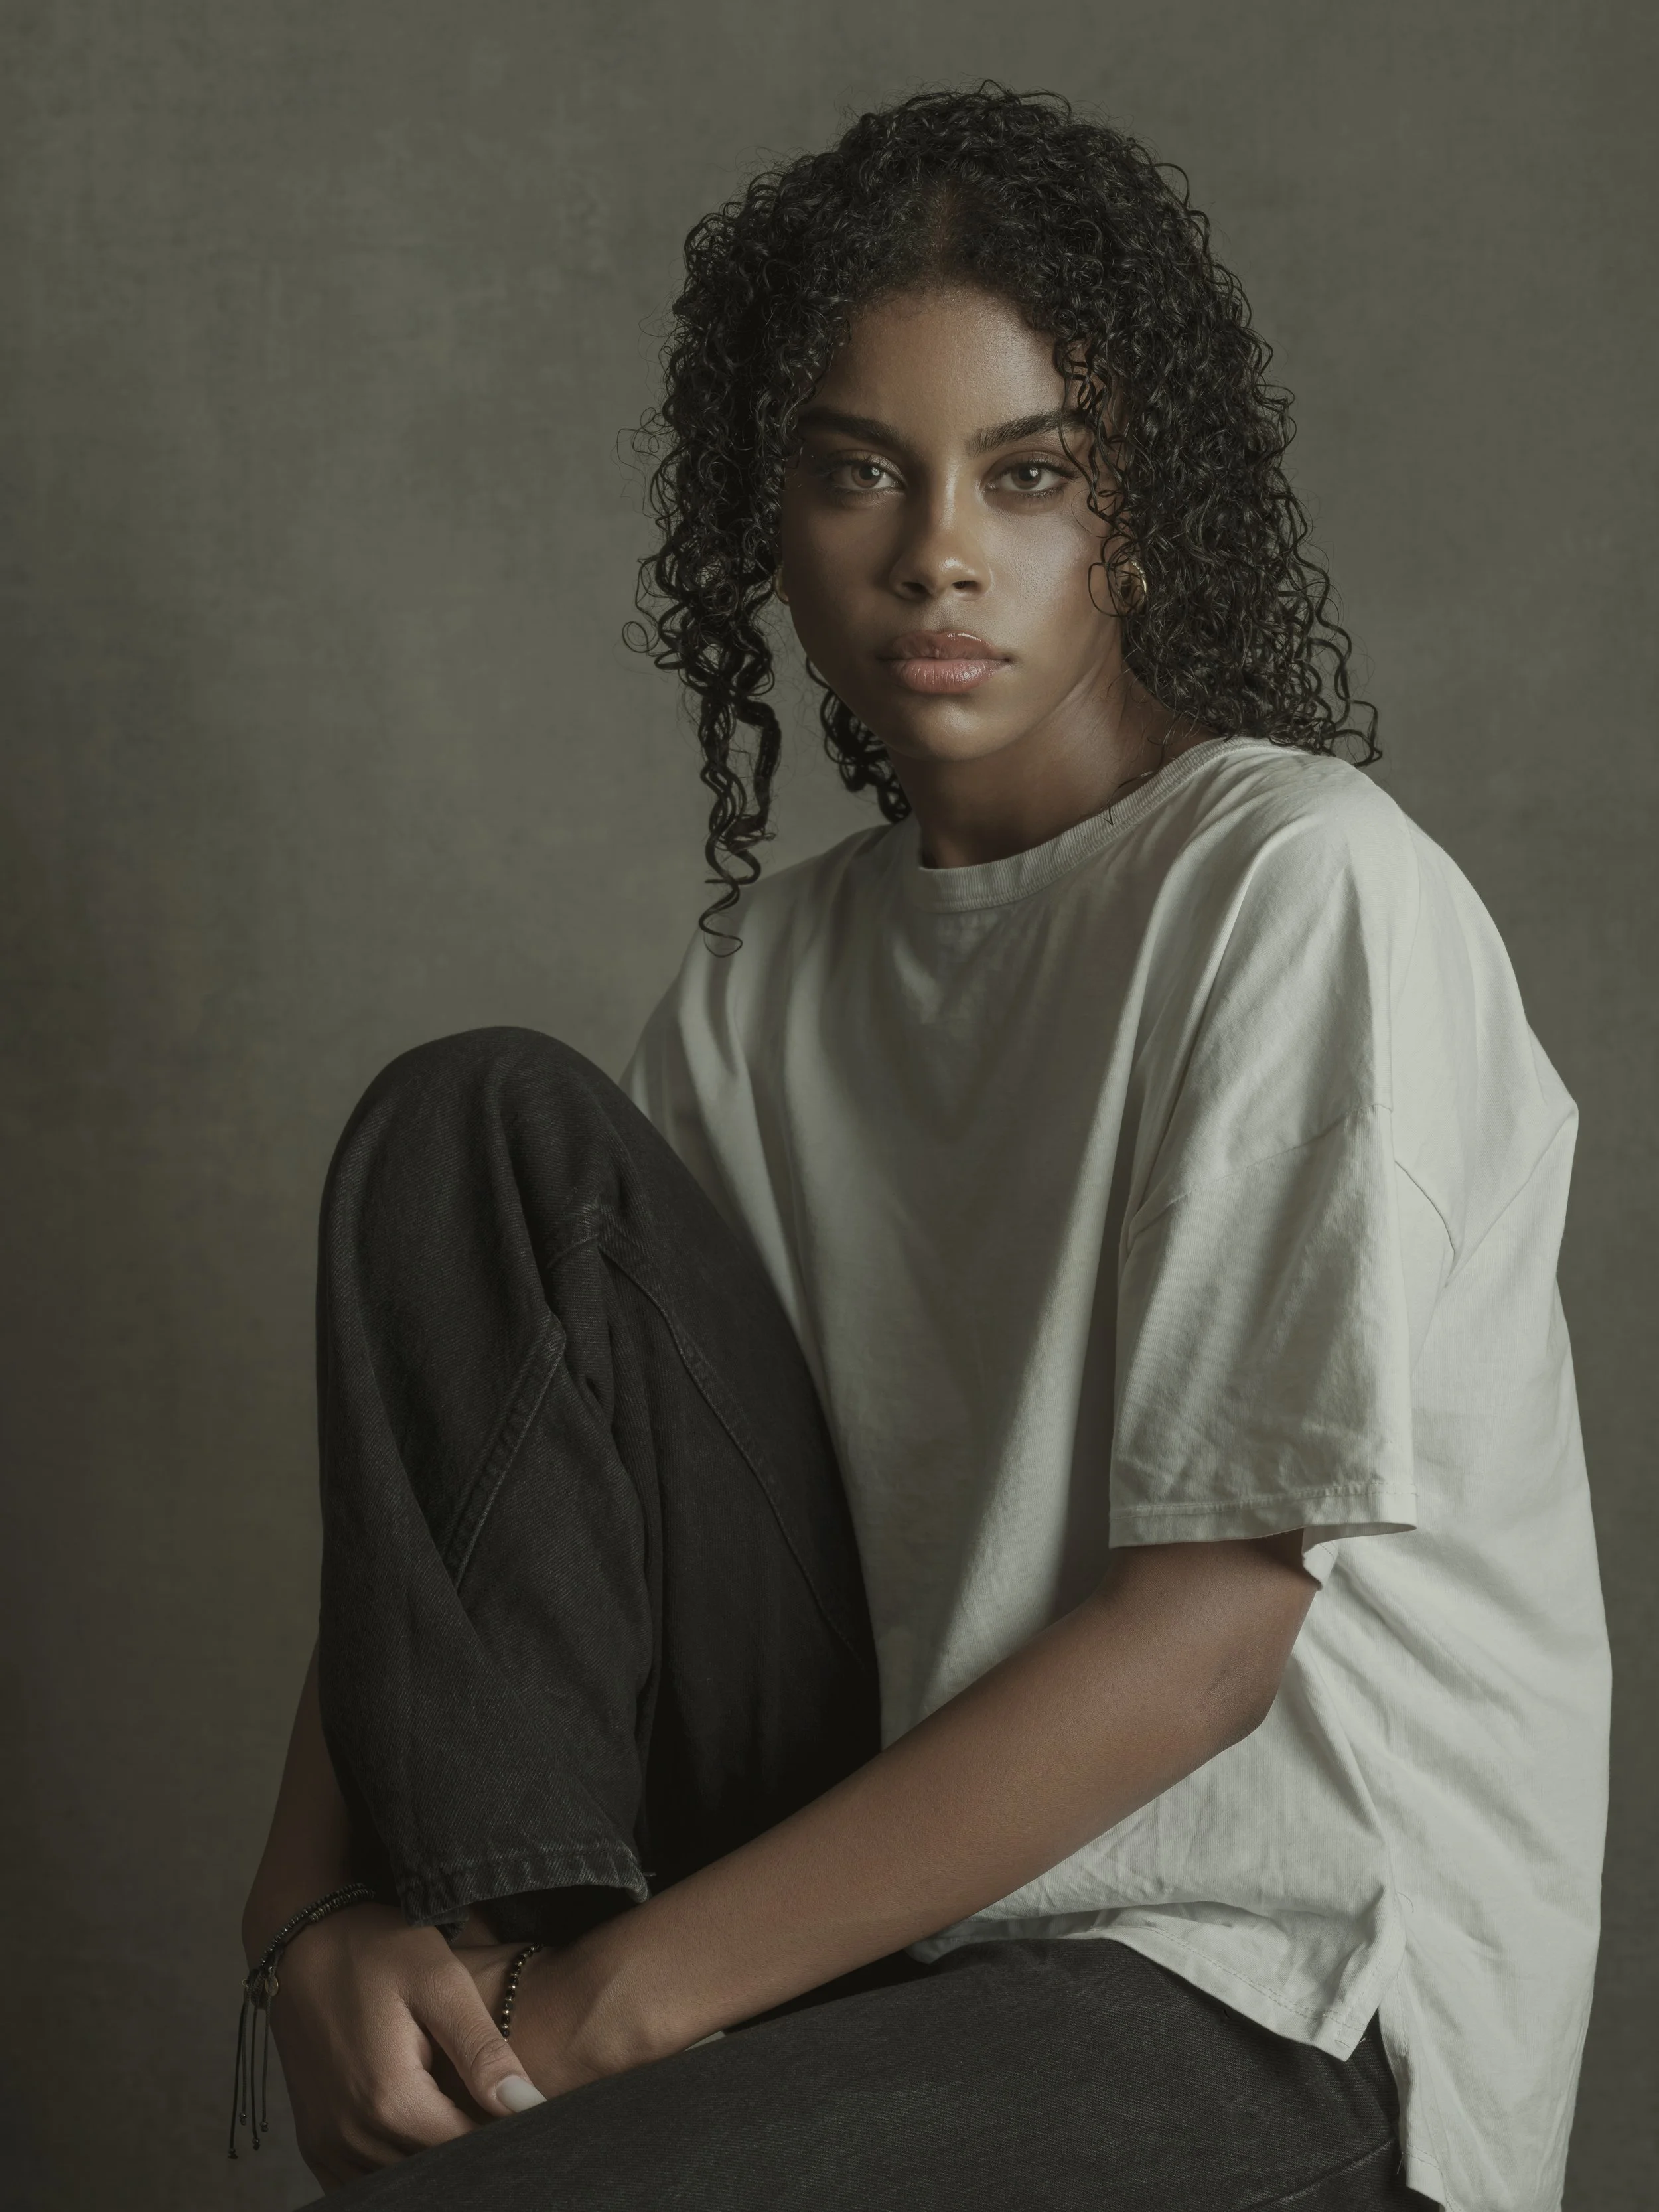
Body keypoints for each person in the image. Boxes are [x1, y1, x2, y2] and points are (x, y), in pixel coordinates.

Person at [238, 86, 1609, 2212]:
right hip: (895, 1935)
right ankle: (476, 1979)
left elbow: (1206, 1644)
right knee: (480, 1128)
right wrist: (311, 1912)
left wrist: (597, 2025)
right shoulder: (763, 979)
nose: (936, 553)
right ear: (765, 517)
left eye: (1027, 473)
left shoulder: (1292, 884)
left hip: (1270, 1991)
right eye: (856, 470)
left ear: (1138, 505)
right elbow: (506, 1468)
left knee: (507, 2186)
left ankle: (520, 2069)